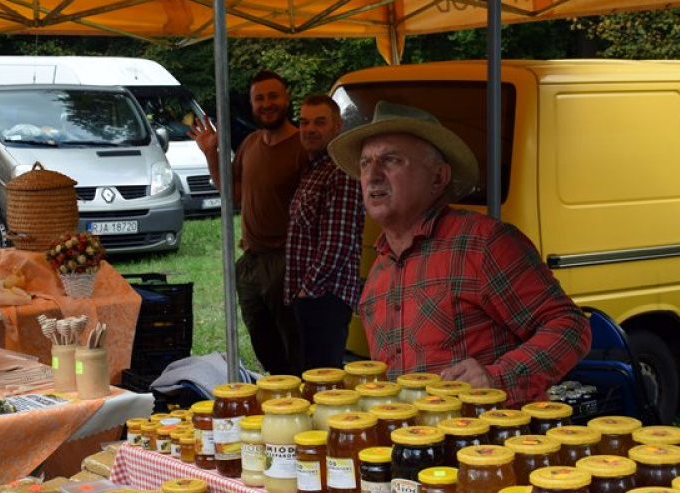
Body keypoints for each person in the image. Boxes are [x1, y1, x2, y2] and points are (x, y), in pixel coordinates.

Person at [328, 102, 592, 406]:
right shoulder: (379, 271)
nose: (372, 176)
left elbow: (570, 326)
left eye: (391, 160)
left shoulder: (483, 243)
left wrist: (497, 378)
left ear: (438, 177)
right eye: (365, 164)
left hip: (492, 444)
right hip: (416, 446)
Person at [191, 70, 309, 375]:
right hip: (251, 263)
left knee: (295, 346)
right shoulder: (252, 143)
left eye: (273, 96)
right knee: (264, 345)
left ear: (286, 99)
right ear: (252, 103)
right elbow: (233, 194)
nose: (266, 104)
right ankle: (280, 398)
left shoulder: (302, 147)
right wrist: (211, 154)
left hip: (288, 261)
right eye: (260, 98)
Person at [284, 95, 365, 370]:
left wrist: (308, 291)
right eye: (304, 122)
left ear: (337, 126)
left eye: (320, 122)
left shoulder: (340, 172)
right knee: (308, 376)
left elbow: (337, 244)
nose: (310, 129)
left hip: (325, 298)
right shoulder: (313, 169)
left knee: (323, 382)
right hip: (311, 297)